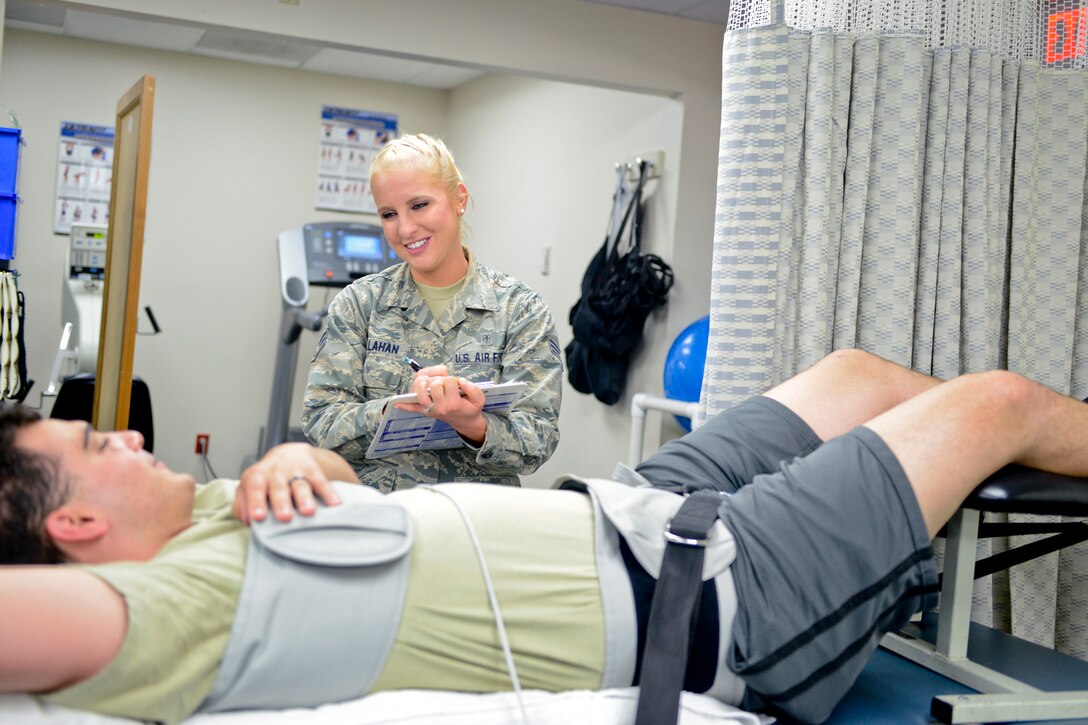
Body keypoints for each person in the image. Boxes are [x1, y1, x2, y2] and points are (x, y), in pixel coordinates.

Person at [4, 349, 1088, 725]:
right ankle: (983, 447)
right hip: (716, 596)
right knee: (996, 402)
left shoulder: (197, 514)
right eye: (101, 442)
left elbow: (333, 477)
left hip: (629, 507)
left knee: (853, 374)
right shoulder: (160, 615)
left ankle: (953, 465)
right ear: (77, 524)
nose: (130, 432)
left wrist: (297, 458)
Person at [303, 133, 562, 492]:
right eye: (389, 214)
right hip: (382, 514)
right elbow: (320, 423)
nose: (406, 228)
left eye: (420, 205)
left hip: (478, 520)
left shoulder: (520, 310)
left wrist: (473, 424)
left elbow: (539, 439)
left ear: (459, 199)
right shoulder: (360, 304)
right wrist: (392, 411)